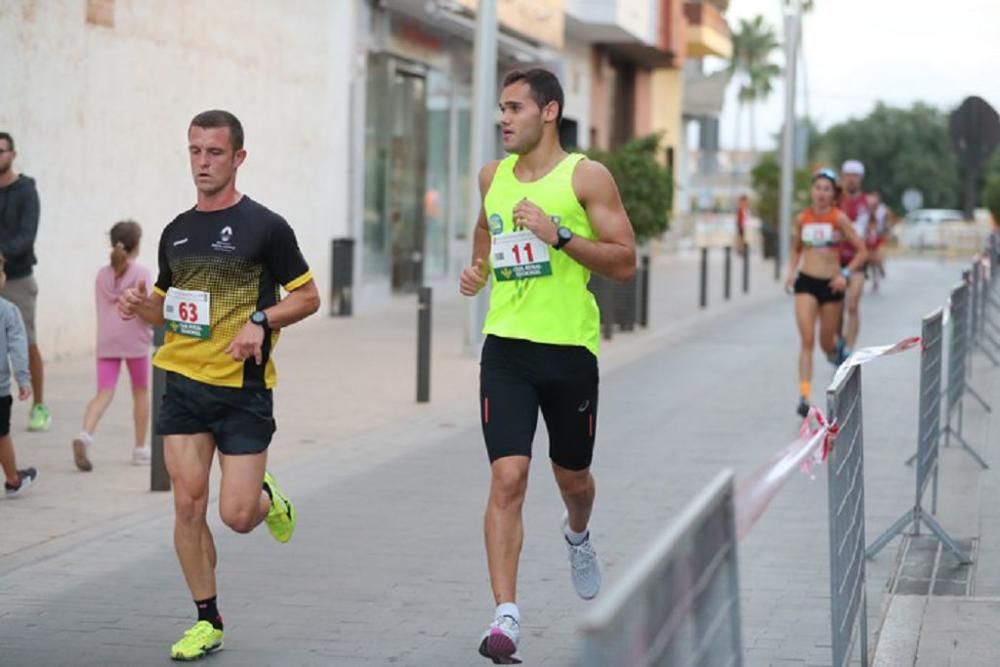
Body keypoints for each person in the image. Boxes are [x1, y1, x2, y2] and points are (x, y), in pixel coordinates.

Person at [117, 110, 320, 661]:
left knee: (235, 515)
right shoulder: (176, 232)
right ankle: (207, 618)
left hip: (242, 390)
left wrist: (261, 321)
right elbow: (169, 309)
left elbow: (307, 296)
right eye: (194, 152)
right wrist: (143, 307)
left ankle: (265, 496)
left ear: (238, 158)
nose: (202, 163)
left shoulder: (267, 228)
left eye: (213, 153)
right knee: (187, 506)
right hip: (182, 381)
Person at [459, 68, 636, 664]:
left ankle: (577, 533)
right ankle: (505, 613)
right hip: (506, 347)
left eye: (514, 108)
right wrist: (477, 270)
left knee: (573, 479)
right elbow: (486, 230)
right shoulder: (493, 176)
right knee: (508, 477)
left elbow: (624, 262)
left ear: (549, 111)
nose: (503, 119)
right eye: (500, 109)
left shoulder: (586, 176)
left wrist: (558, 235)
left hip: (569, 351)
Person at [72, 220, 154, 471]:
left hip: (106, 341)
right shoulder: (141, 273)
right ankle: (140, 449)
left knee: (104, 393)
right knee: (140, 392)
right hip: (135, 341)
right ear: (137, 245)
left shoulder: (101, 275)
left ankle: (85, 434)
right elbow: (149, 307)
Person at [785, 169, 867, 417]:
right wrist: (790, 272)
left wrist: (844, 274)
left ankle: (837, 349)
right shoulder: (803, 219)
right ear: (812, 191)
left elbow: (862, 251)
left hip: (831, 286)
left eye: (826, 189)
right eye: (817, 188)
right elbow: (797, 249)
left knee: (825, 344)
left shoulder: (838, 218)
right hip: (807, 283)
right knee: (807, 338)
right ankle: (804, 395)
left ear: (833, 195)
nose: (821, 193)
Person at [0, 132, 49, 432]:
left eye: (1, 150)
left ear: (13, 154)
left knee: (27, 343)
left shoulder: (26, 190)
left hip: (18, 279)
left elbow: (26, 235)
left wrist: (1, 255)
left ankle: (39, 405)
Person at [0, 255, 37, 497]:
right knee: (2, 435)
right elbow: (18, 348)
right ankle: (13, 480)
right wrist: (23, 379)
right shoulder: (8, 311)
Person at [837, 159, 870, 358]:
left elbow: (860, 230)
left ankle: (849, 348)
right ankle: (840, 340)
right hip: (835, 260)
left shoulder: (864, 203)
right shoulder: (836, 200)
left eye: (855, 175)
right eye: (848, 175)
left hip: (857, 259)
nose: (851, 179)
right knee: (837, 309)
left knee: (852, 304)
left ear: (860, 179)